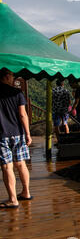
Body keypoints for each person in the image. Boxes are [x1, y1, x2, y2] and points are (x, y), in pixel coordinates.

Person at [0, 68, 33, 209]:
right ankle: (26, 192)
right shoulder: (17, 93)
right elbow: (23, 115)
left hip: (1, 135)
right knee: (21, 164)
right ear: (6, 77)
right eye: (12, 76)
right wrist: (28, 133)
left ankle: (13, 199)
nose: (14, 79)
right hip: (18, 133)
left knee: (7, 166)